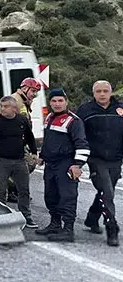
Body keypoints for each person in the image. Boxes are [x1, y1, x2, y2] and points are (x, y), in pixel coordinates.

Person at [35, 88, 89, 242]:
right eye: (54, 101)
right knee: (50, 196)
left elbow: (82, 144)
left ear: (66, 102)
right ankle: (55, 224)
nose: (57, 104)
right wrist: (43, 156)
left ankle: (68, 230)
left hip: (66, 164)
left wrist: (77, 165)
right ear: (50, 102)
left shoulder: (74, 121)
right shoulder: (49, 117)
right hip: (51, 165)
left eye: (60, 100)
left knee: (67, 197)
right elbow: (49, 141)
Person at [0, 96, 39, 228]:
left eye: (5, 106)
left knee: (24, 190)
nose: (2, 109)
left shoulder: (22, 120)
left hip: (19, 160)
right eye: (1, 106)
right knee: (0, 190)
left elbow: (29, 137)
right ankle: (2, 217)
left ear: (14, 108)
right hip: (1, 161)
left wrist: (34, 152)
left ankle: (26, 216)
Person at [76, 80, 123, 247]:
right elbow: (77, 134)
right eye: (98, 91)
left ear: (110, 92)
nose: (102, 94)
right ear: (93, 93)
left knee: (105, 191)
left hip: (116, 158)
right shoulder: (85, 111)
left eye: (105, 91)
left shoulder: (120, 109)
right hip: (96, 159)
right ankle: (112, 228)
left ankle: (91, 217)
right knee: (107, 192)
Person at [7, 77, 43, 202]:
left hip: (20, 140)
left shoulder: (23, 101)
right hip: (14, 141)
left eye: (36, 92)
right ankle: (10, 188)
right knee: (28, 165)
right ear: (24, 88)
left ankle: (13, 189)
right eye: (33, 91)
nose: (34, 95)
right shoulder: (16, 101)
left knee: (28, 165)